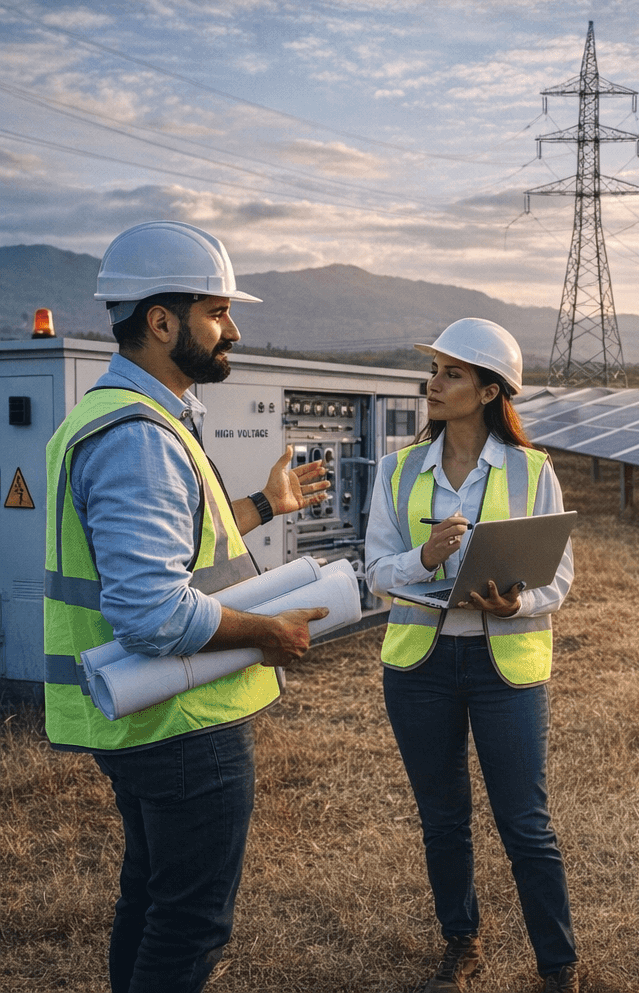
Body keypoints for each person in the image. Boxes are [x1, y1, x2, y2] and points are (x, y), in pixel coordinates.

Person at [44, 220, 333, 993]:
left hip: (150, 721)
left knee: (151, 898)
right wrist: (267, 631)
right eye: (217, 311)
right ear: (161, 322)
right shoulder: (138, 435)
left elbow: (172, 547)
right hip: (179, 725)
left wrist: (263, 507)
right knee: (190, 924)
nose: (233, 329)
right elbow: (150, 611)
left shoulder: (124, 416)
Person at [364, 317, 579, 993]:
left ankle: (558, 966)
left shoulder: (532, 471)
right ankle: (462, 944)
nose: (434, 384)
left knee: (526, 824)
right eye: (435, 371)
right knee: (444, 819)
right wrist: (420, 559)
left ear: (490, 392)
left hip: (504, 672)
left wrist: (518, 605)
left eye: (451, 373)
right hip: (419, 670)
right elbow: (374, 571)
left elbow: (560, 578)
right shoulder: (397, 470)